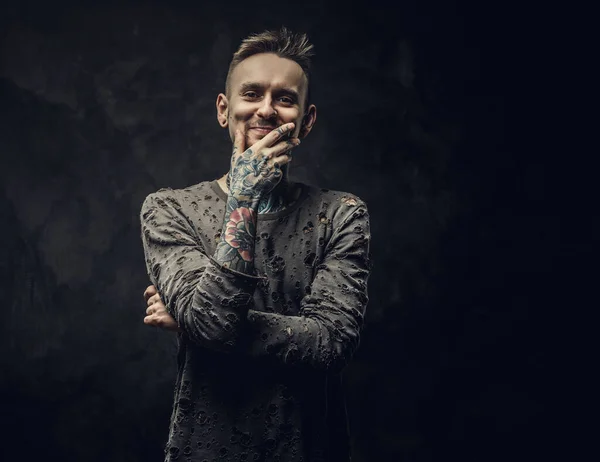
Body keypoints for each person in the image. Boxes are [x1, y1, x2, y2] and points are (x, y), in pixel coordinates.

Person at [139, 27, 372, 462]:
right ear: (224, 110)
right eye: (252, 94)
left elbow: (330, 342)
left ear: (306, 120)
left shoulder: (341, 214)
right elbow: (211, 324)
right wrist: (244, 196)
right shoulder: (169, 209)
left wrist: (192, 321)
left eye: (285, 98)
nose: (266, 109)